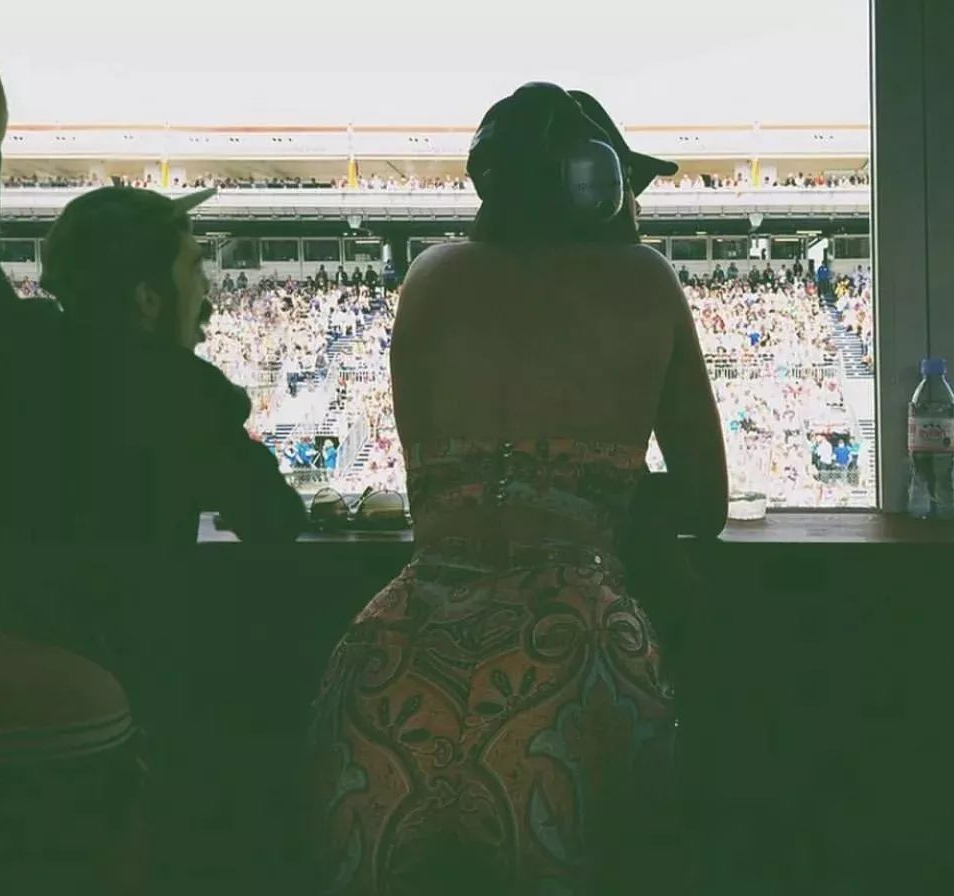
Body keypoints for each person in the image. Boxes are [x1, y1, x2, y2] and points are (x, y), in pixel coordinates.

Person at [0, 42, 305, 895]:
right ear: (147, 296)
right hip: (65, 705)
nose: (209, 295)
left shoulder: (3, 338)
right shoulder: (185, 391)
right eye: (194, 271)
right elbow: (276, 522)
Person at [305, 82, 727, 896]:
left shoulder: (428, 275)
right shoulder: (643, 278)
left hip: (394, 656)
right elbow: (706, 505)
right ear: (595, 184)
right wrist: (595, 494)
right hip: (575, 652)